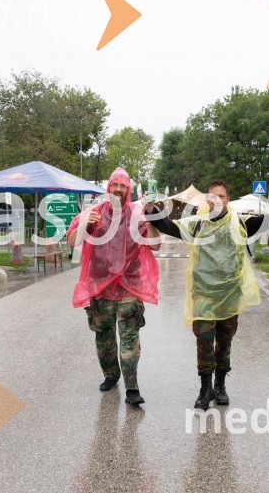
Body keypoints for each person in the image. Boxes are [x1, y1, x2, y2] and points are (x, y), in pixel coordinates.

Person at [145, 179, 269, 410]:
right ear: (207, 199)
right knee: (204, 341)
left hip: (229, 294)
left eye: (222, 196)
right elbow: (170, 227)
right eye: (212, 196)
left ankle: (220, 386)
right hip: (204, 295)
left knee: (225, 341)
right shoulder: (197, 224)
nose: (216, 200)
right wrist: (152, 212)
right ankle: (205, 388)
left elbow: (268, 220)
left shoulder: (240, 223)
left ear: (228, 199)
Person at [67, 167, 161, 405]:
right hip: (101, 288)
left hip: (129, 288)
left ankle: (132, 387)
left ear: (128, 190)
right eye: (114, 185)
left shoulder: (137, 214)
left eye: (122, 186)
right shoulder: (94, 212)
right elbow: (70, 241)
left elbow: (155, 244)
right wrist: (85, 225)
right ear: (108, 188)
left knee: (130, 338)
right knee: (104, 338)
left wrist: (151, 218)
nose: (118, 189)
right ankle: (111, 375)